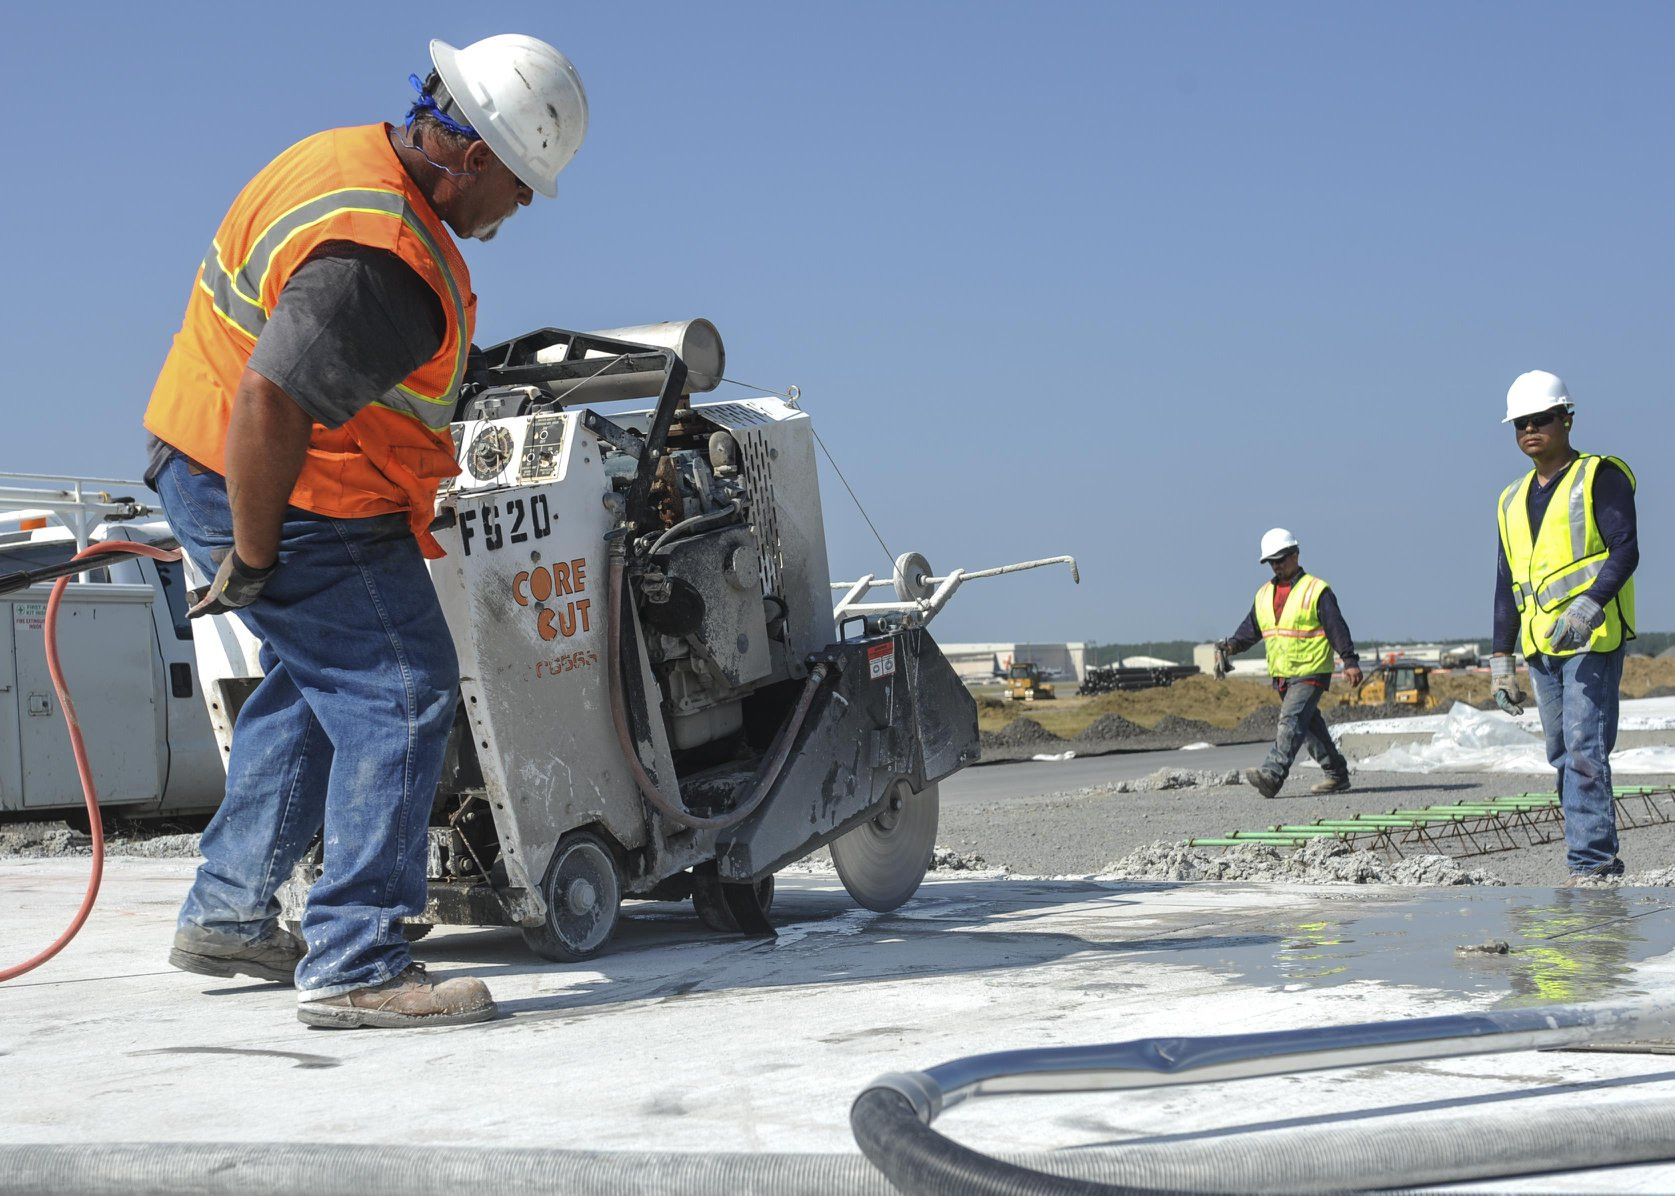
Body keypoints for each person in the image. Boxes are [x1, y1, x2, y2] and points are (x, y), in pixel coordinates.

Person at [142, 35, 589, 1028]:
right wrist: (254, 555)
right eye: (518, 187)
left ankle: (230, 905)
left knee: (323, 677)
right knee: (400, 690)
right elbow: (271, 400)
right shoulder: (382, 257)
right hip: (289, 492)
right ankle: (357, 960)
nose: (513, 213)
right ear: (473, 156)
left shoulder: (341, 159)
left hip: (213, 454)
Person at [1488, 370, 1638, 884]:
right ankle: (1588, 855)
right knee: (1561, 753)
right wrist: (1500, 661)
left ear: (1566, 418)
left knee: (1584, 748)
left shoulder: (1600, 475)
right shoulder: (1510, 499)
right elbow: (1508, 584)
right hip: (1539, 647)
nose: (1530, 429)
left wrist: (1590, 606)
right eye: (1520, 423)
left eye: (1541, 419)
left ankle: (1593, 865)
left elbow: (1626, 549)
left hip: (1590, 640)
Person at [1217, 529, 1364, 798]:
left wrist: (1350, 660)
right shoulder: (1263, 595)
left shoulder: (1316, 590)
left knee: (1291, 720)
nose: (1277, 565)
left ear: (1295, 554)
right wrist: (1230, 646)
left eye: (1281, 559)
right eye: (1272, 561)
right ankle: (1337, 775)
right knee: (1309, 727)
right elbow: (1251, 630)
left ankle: (1272, 775)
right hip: (1283, 674)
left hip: (1311, 670)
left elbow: (1336, 627)